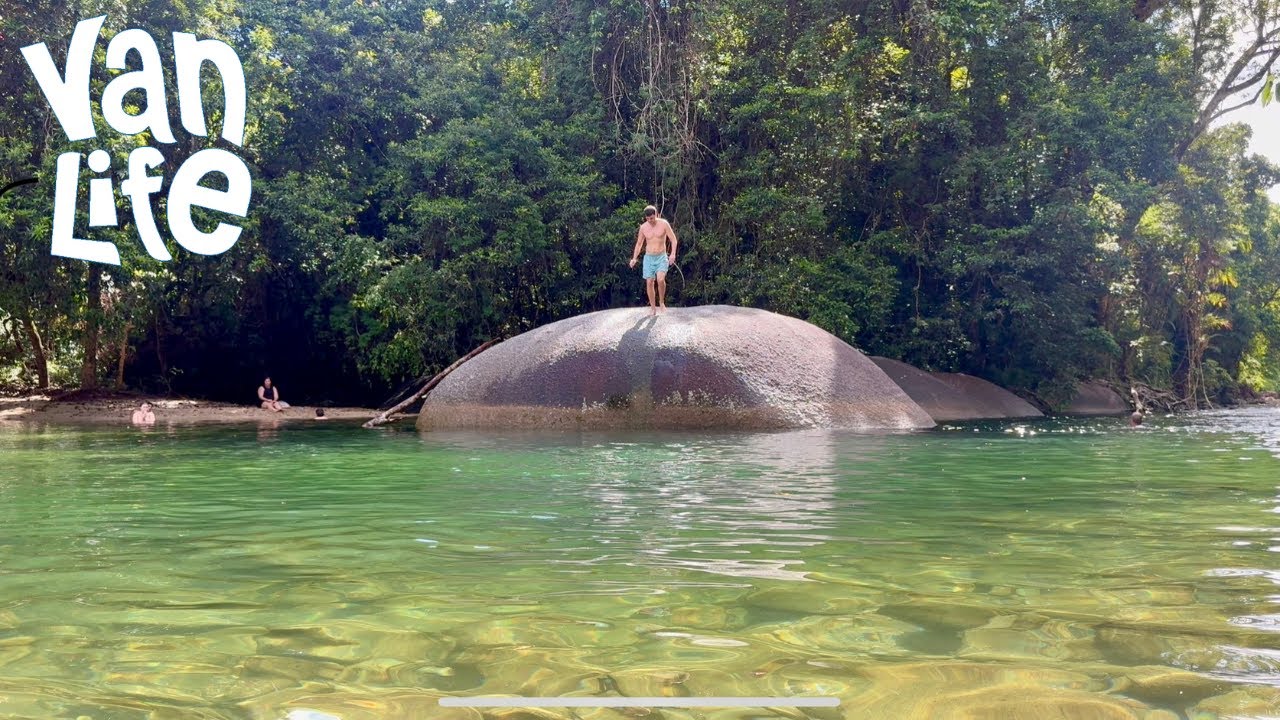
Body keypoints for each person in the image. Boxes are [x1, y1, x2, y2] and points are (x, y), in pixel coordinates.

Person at [628, 205, 679, 315]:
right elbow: (639, 244)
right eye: (648, 219)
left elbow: (673, 239)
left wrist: (673, 254)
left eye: (652, 218)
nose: (650, 221)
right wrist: (634, 258)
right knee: (649, 281)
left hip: (661, 256)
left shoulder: (664, 224)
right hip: (649, 257)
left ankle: (661, 302)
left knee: (660, 279)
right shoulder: (643, 228)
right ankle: (652, 307)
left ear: (656, 215)